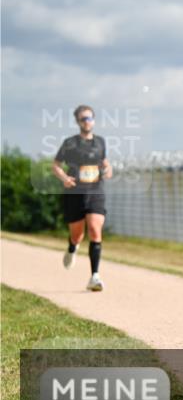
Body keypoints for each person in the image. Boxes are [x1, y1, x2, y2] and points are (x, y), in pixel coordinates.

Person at [51, 105, 112, 292]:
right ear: (78, 121)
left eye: (90, 118)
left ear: (94, 120)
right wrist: (64, 178)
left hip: (95, 191)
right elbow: (56, 165)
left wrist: (109, 169)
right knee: (77, 235)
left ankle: (95, 277)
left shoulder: (100, 142)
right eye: (84, 118)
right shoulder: (70, 143)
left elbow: (104, 161)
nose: (88, 121)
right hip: (75, 193)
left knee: (94, 229)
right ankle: (72, 247)